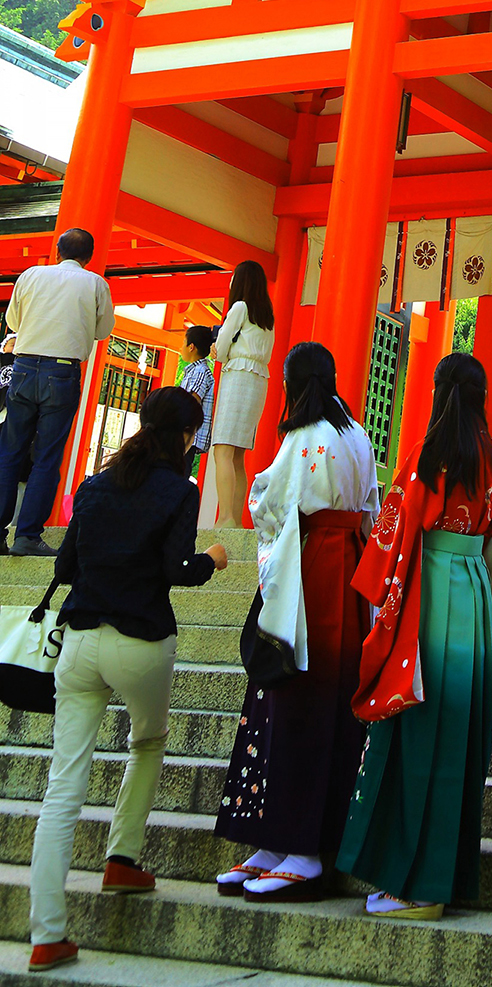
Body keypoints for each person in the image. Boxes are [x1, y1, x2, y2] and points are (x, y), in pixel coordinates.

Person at [28, 386, 228, 973]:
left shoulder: (93, 486)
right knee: (147, 740)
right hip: (142, 641)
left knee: (63, 787)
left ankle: (47, 934)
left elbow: (64, 567)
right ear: (187, 438)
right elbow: (177, 570)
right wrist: (213, 560)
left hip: (82, 640)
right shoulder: (180, 491)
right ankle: (123, 856)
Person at [337, 351, 492, 921]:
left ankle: (417, 886)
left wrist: (378, 598)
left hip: (430, 599)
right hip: (475, 600)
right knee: (461, 747)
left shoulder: (427, 456)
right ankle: (449, 876)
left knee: (419, 740)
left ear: (440, 395)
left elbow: (394, 535)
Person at [213, 341, 377, 901]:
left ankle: (297, 846)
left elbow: (271, 503)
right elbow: (372, 506)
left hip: (308, 569)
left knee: (293, 698)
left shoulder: (305, 434)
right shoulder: (355, 432)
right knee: (324, 703)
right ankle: (282, 839)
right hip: (347, 573)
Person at [0, 228, 114, 558]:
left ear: (57, 251)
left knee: (9, 451)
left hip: (23, 368)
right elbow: (103, 331)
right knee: (46, 457)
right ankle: (27, 535)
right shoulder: (95, 283)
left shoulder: (31, 275)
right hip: (62, 372)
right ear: (88, 257)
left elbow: (13, 321)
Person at [211, 262, 275, 527]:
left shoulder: (240, 307)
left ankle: (225, 517)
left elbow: (224, 341)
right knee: (238, 455)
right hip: (258, 379)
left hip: (238, 375)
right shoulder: (267, 315)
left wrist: (219, 352)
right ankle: (234, 519)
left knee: (223, 450)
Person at [179, 325, 215, 481]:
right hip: (187, 435)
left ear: (191, 347)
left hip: (187, 435)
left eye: (184, 343)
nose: (181, 347)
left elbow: (192, 403)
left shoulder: (200, 371)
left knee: (179, 474)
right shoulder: (196, 370)